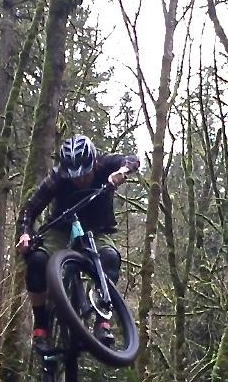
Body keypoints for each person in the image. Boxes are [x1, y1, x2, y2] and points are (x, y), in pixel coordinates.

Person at [15, 135, 140, 354]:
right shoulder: (57, 177)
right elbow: (30, 209)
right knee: (36, 262)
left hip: (97, 228)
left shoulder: (105, 164)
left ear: (93, 163)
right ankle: (41, 325)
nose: (80, 180)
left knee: (109, 258)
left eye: (84, 175)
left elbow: (132, 160)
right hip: (60, 228)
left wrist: (122, 173)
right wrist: (24, 234)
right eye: (74, 177)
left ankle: (102, 319)